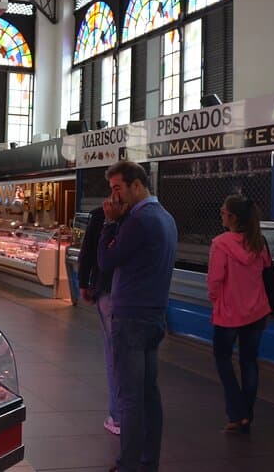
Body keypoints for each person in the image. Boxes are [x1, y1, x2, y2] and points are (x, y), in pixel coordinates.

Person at [98, 161, 177, 472]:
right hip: (155, 315)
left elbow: (106, 260)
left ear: (136, 185)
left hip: (131, 318)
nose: (114, 197)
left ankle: (128, 464)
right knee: (149, 394)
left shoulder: (138, 221)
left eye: (118, 188)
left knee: (130, 397)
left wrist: (108, 224)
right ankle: (148, 461)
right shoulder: (166, 218)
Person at [207, 194, 271, 435]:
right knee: (249, 362)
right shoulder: (258, 243)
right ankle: (247, 415)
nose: (221, 214)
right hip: (257, 312)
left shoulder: (221, 244)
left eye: (223, 211)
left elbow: (215, 280)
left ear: (232, 217)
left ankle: (238, 412)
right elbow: (265, 272)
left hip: (229, 313)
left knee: (223, 359)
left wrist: (216, 300)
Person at [77, 205, 120, 435]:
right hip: (133, 295)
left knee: (114, 353)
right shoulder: (146, 216)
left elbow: (92, 252)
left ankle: (119, 416)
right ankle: (132, 414)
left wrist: (83, 283)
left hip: (107, 289)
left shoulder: (103, 216)